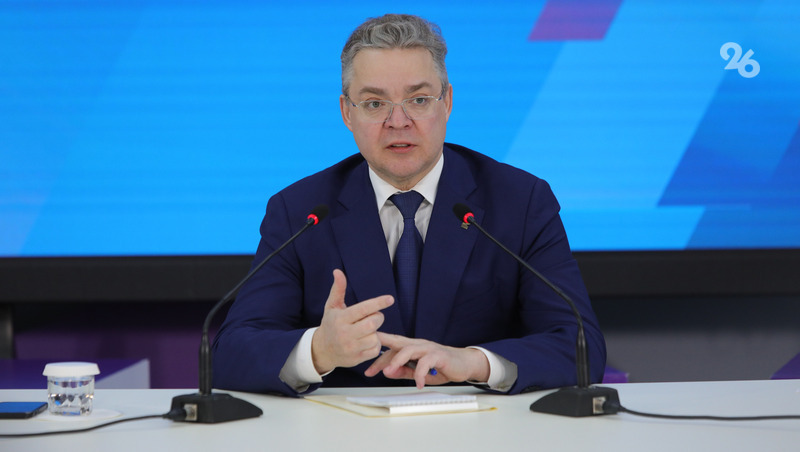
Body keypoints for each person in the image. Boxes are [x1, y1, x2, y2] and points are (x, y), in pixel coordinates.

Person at [212, 13, 606, 396]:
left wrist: (473, 362)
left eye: (418, 100)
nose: (398, 121)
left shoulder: (519, 201)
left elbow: (580, 345)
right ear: (347, 113)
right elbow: (230, 352)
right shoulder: (301, 211)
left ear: (446, 103)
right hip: (343, 430)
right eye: (374, 104)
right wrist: (319, 350)